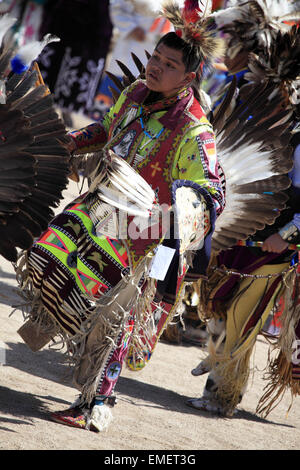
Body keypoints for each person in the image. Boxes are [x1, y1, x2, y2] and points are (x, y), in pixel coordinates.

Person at [16, 0, 225, 432]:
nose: (155, 67)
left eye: (169, 65)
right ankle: (53, 331)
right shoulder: (134, 94)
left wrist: (181, 211)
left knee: (114, 318)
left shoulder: (193, 129)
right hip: (103, 209)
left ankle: (97, 403)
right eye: (155, 57)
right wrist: (71, 142)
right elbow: (107, 131)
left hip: (149, 234)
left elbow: (212, 192)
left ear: (188, 78)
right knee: (47, 258)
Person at [186, 0, 300, 418]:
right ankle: (219, 383)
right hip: (235, 228)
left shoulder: (295, 123)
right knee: (217, 310)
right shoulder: (243, 99)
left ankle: (222, 397)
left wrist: (285, 236)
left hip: (274, 242)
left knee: (240, 323)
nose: (257, 71)